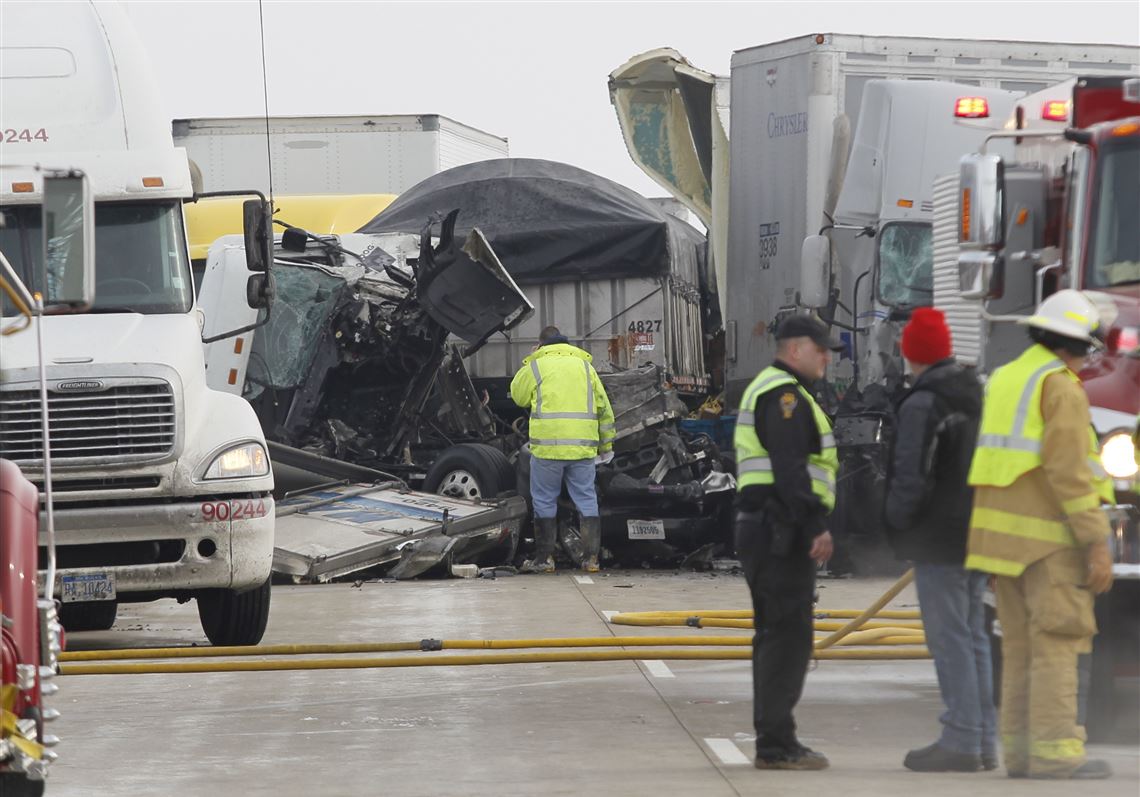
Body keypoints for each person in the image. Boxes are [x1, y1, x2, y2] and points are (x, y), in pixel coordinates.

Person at [965, 290, 1116, 780]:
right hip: (1049, 542)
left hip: (1000, 542)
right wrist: (1096, 540)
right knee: (1058, 643)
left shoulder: (1007, 377)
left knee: (1021, 649)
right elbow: (1069, 473)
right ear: (1078, 345)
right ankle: (1054, 753)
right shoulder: (1061, 386)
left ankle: (1022, 753)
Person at [883, 307, 996, 772]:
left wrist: (895, 526)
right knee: (973, 637)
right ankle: (983, 738)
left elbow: (911, 477)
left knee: (949, 639)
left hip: (939, 539)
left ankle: (962, 739)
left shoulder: (924, 403)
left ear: (912, 353)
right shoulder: (974, 394)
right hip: (977, 533)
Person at [733, 314, 841, 770]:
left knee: (777, 635)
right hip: (780, 530)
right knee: (786, 637)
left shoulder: (776, 390)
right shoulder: (785, 397)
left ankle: (777, 738)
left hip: (768, 528)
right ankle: (776, 745)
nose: (827, 359)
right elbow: (791, 465)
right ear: (796, 349)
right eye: (821, 350)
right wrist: (815, 524)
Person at [510, 325, 615, 573]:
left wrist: (531, 360)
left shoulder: (537, 365)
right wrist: (606, 444)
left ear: (541, 345)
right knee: (586, 500)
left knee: (545, 501)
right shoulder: (585, 367)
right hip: (582, 449)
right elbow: (604, 408)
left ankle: (545, 559)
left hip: (547, 450)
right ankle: (591, 560)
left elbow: (518, 396)